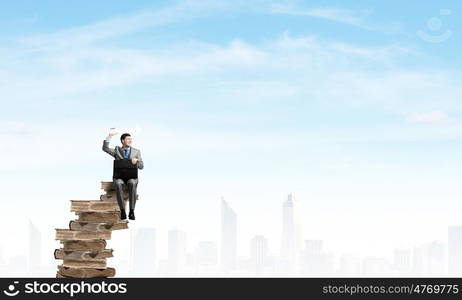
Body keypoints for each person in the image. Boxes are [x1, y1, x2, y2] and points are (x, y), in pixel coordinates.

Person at [102, 130, 144, 220]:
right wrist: (109, 136)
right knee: (118, 183)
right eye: (128, 139)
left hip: (131, 177)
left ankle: (132, 211)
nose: (130, 141)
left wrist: (137, 161)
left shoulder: (136, 152)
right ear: (122, 141)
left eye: (131, 139)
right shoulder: (117, 150)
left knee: (132, 183)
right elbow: (105, 148)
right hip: (119, 177)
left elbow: (141, 166)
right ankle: (122, 211)